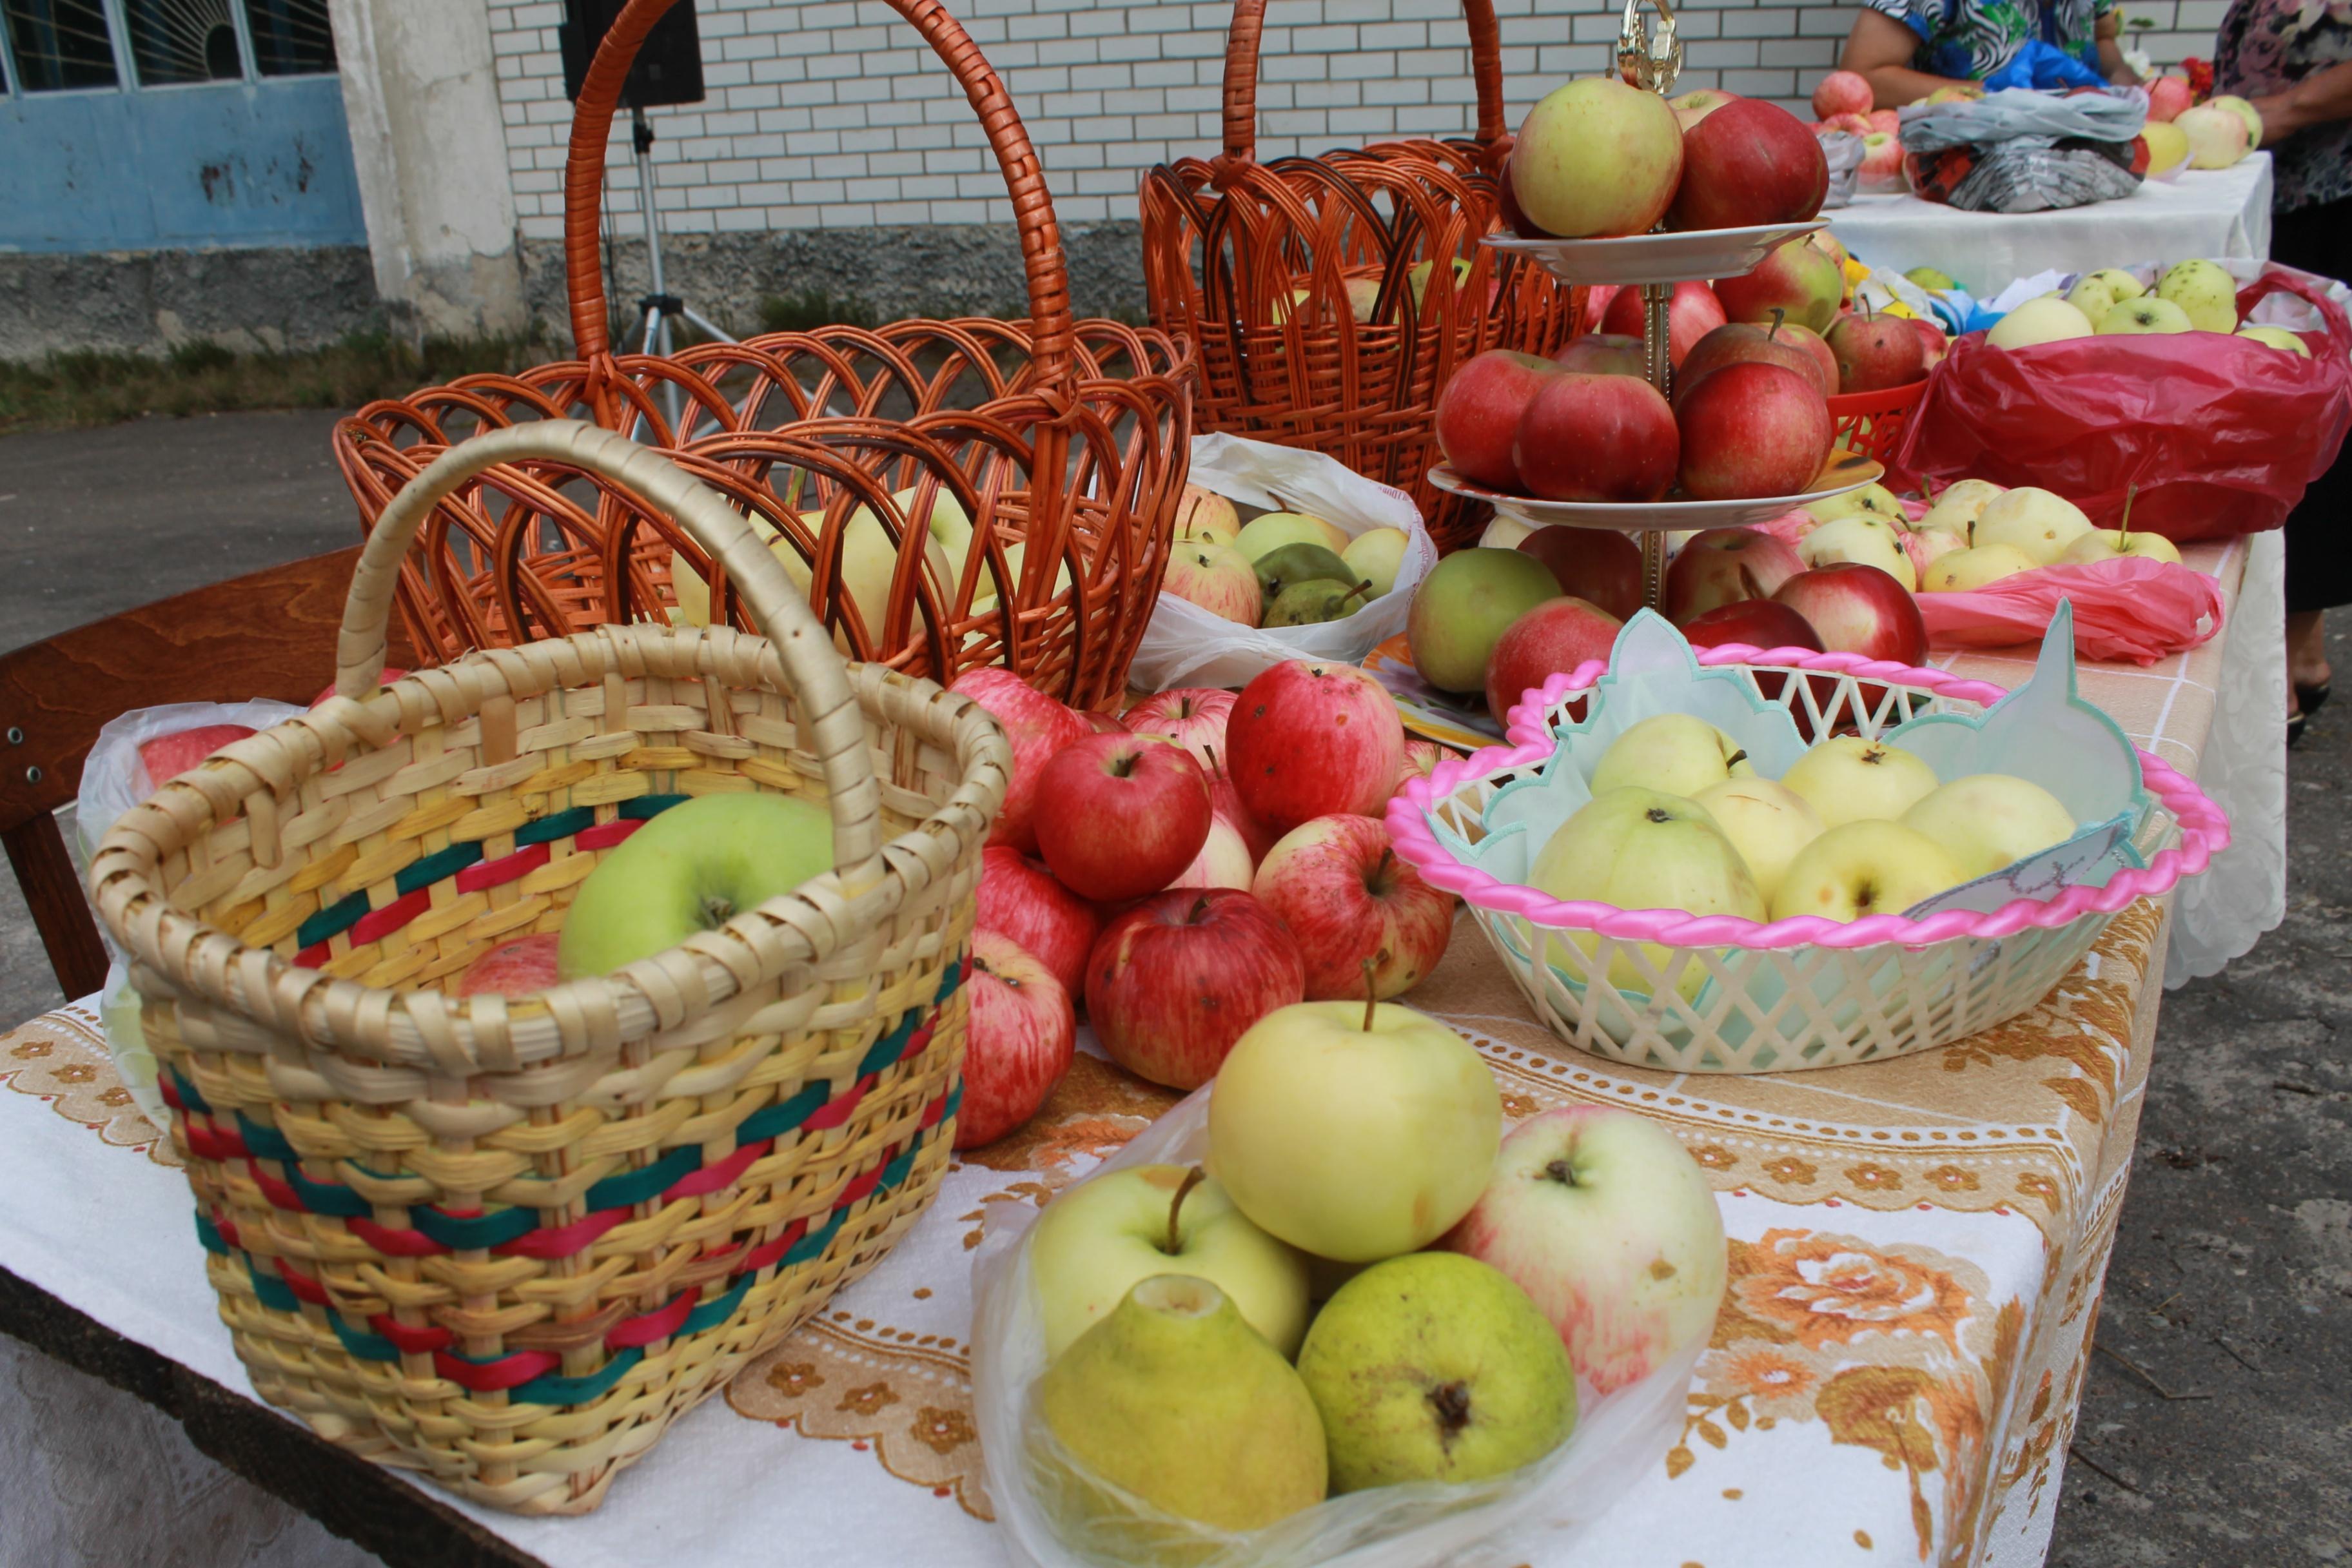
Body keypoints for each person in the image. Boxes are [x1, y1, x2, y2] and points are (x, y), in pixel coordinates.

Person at [2216, 0, 2352, 743]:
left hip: (2332, 192)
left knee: (2316, 416)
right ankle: (2301, 649)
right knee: (2305, 413)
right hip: (2289, 188)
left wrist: (2284, 107)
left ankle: (2292, 655)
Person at [1838, 0, 2141, 107]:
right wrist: (1994, 93)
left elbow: (2103, 36)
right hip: (1966, 168)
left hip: (2085, 158)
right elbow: (1862, 77)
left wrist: (2122, 77)